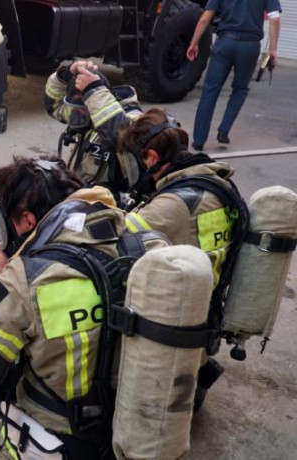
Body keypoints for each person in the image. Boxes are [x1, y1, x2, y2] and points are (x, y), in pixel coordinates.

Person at [0, 155, 128, 459]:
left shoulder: (29, 278)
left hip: (63, 439)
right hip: (129, 425)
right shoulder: (138, 236)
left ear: (27, 221)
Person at [118, 108, 246, 410]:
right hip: (206, 314)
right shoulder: (218, 183)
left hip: (173, 331)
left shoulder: (173, 207)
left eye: (133, 163)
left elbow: (112, 243)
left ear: (150, 158)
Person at [44, 60, 144, 207]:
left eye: (83, 109)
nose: (78, 113)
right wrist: (66, 75)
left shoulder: (133, 118)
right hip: (84, 197)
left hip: (115, 205)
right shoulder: (81, 111)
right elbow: (54, 106)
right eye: (76, 108)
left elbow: (126, 137)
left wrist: (93, 91)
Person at [186, 0, 281, 151]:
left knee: (210, 90)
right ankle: (224, 130)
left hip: (225, 43)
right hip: (250, 47)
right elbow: (274, 18)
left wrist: (194, 43)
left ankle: (198, 140)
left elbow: (205, 18)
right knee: (240, 89)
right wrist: (273, 49)